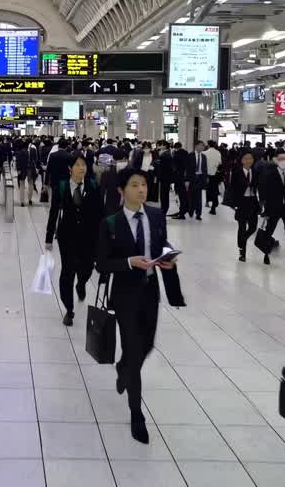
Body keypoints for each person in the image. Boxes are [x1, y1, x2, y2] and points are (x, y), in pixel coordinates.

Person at [94, 168, 185, 444]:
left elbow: (160, 245)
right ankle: (137, 413)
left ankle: (123, 367)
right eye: (135, 185)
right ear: (122, 191)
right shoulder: (110, 222)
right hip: (124, 295)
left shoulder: (156, 216)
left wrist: (168, 258)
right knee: (134, 350)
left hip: (149, 292)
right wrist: (128, 262)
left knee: (146, 346)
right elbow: (102, 263)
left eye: (144, 184)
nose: (142, 190)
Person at [45, 154, 102, 325]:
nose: (82, 168)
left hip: (89, 236)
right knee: (68, 271)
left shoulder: (93, 185)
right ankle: (69, 309)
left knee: (86, 268)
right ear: (70, 168)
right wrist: (49, 238)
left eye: (84, 164)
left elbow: (100, 212)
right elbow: (54, 212)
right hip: (67, 236)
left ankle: (81, 283)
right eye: (77, 165)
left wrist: (103, 237)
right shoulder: (61, 186)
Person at [258, 149, 285, 271]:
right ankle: (266, 254)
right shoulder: (269, 174)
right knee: (268, 232)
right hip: (273, 209)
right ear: (276, 160)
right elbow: (265, 192)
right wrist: (265, 210)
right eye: (282, 159)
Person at [224, 152, 260, 262]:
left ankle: (242, 240)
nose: (248, 160)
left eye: (250, 158)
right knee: (242, 226)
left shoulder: (255, 172)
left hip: (253, 202)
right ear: (242, 160)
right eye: (246, 158)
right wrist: (234, 204)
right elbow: (232, 189)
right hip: (241, 202)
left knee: (253, 227)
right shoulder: (236, 172)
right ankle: (242, 251)